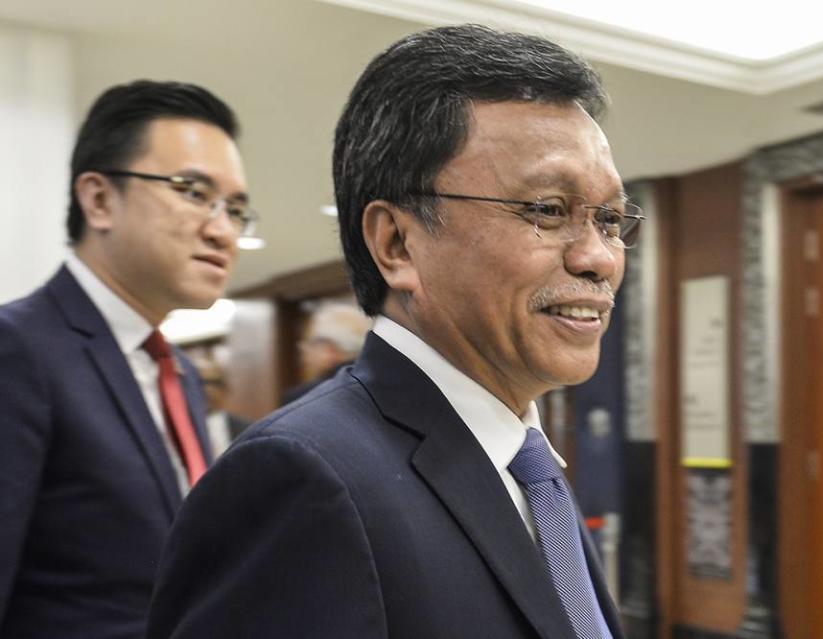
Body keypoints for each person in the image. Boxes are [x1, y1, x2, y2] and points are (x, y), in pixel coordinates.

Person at [148, 24, 641, 638]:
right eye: (547, 210)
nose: (598, 258)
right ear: (397, 242)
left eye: (612, 219)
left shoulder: (527, 468)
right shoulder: (306, 481)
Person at [0, 80, 253, 638]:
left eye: (235, 208)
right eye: (191, 190)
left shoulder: (178, 373)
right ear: (97, 199)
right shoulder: (18, 349)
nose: (222, 229)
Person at [282, 300, 372, 404]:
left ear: (329, 349)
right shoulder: (378, 387)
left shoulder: (302, 397)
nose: (304, 349)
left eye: (311, 343)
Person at [195, 354, 251, 456]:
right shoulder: (177, 431)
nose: (207, 390)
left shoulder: (246, 429)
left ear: (226, 388)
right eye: (200, 382)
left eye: (214, 383)